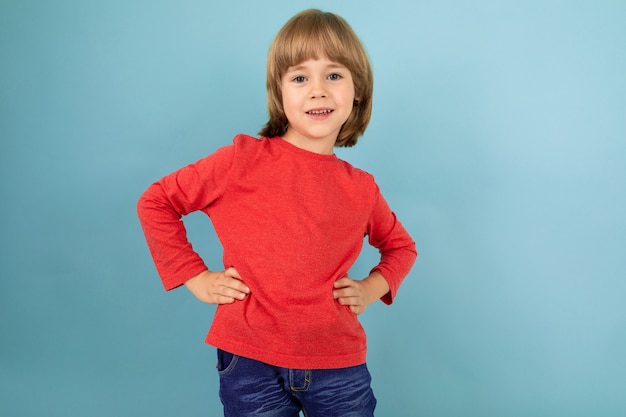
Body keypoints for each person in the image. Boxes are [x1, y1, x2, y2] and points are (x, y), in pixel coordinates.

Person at [137, 9, 417, 417]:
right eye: (300, 77)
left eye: (334, 75)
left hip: (338, 364)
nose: (317, 90)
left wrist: (371, 289)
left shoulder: (361, 187)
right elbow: (156, 201)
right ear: (279, 92)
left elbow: (401, 247)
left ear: (358, 91)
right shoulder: (240, 161)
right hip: (249, 363)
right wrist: (195, 277)